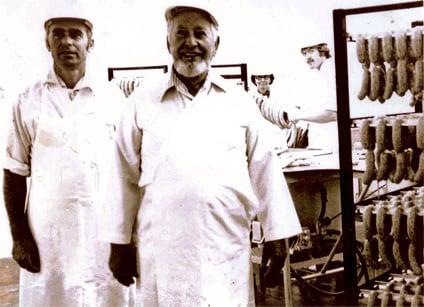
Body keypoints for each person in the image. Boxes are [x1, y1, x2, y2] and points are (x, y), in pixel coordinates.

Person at [104, 4, 301, 306]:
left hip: (225, 248)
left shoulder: (239, 101)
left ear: (216, 45)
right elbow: (122, 174)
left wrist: (278, 235)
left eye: (200, 34)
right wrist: (118, 243)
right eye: (181, 34)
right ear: (167, 42)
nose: (191, 43)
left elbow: (265, 169)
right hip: (163, 250)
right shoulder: (141, 101)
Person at [2, 10, 133, 307]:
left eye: (76, 34)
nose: (67, 42)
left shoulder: (113, 100)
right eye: (58, 33)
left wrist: (128, 239)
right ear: (47, 42)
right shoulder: (28, 99)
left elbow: (129, 175)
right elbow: (13, 173)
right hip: (47, 239)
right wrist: (19, 237)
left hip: (103, 234)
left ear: (91, 42)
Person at [288, 42, 338, 151]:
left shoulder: (330, 71)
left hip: (331, 145)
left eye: (311, 51)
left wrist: (298, 116)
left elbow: (332, 114)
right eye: (305, 53)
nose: (308, 57)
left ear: (323, 50)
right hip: (320, 145)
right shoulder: (321, 72)